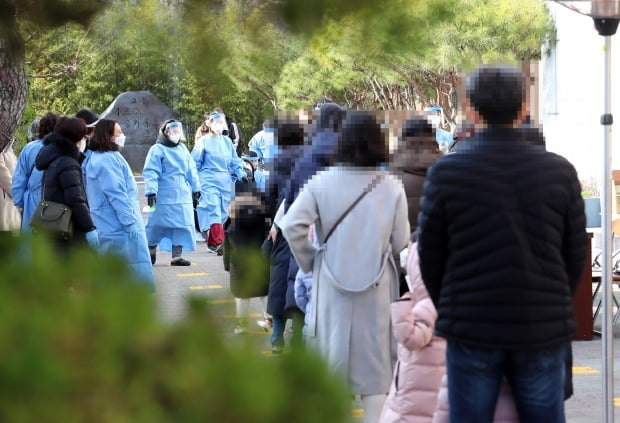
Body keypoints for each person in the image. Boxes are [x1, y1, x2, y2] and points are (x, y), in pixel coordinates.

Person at [417, 65, 588, 422]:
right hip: (541, 323)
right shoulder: (559, 171)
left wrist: (451, 304)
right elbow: (575, 255)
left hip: (471, 324)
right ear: (524, 107)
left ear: (470, 109)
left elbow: (431, 255)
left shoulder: (447, 171)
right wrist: (551, 295)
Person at [280, 111, 410, 422]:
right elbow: (400, 242)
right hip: (377, 289)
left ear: (343, 142)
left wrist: (312, 261)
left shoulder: (321, 182)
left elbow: (291, 226)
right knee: (376, 374)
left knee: (332, 366)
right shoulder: (391, 186)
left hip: (332, 287)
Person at [82, 119, 154, 290]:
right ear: (109, 136)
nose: (123, 136)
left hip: (109, 222)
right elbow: (117, 194)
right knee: (125, 274)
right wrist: (129, 222)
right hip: (117, 224)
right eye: (119, 132)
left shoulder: (101, 157)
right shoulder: (107, 160)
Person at [263, 120, 306, 353]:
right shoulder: (312, 158)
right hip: (304, 229)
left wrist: (272, 222)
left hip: (281, 230)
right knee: (300, 287)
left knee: (279, 287)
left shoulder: (277, 161)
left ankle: (276, 339)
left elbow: (270, 197)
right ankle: (298, 342)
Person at [34, 117, 99, 249]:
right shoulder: (67, 163)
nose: (85, 140)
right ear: (76, 138)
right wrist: (89, 228)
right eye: (83, 137)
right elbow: (75, 198)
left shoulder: (54, 159)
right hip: (69, 229)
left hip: (55, 225)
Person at [143, 119, 200, 266]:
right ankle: (150, 250)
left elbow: (191, 170)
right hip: (163, 194)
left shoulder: (183, 149)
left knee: (182, 225)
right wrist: (151, 191)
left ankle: (177, 256)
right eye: (172, 131)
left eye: (177, 131)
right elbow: (151, 171)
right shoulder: (157, 149)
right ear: (165, 132)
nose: (175, 134)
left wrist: (196, 189)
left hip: (182, 194)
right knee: (156, 225)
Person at [192, 111, 246, 254]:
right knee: (213, 209)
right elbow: (194, 164)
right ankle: (217, 242)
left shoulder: (227, 142)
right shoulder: (203, 142)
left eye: (221, 122)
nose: (219, 125)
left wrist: (241, 173)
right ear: (209, 124)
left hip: (225, 181)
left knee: (222, 212)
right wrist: (194, 183)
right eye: (216, 122)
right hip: (208, 180)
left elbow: (235, 161)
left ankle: (213, 243)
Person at [13, 112, 57, 231]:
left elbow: (19, 178)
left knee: (30, 242)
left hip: (32, 201)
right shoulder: (60, 148)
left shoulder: (29, 148)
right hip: (55, 203)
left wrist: (19, 203)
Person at [0, 138, 22, 233]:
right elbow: (3, 175)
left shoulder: (9, 148)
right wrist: (17, 193)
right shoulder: (2, 149)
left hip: (11, 203)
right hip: (5, 202)